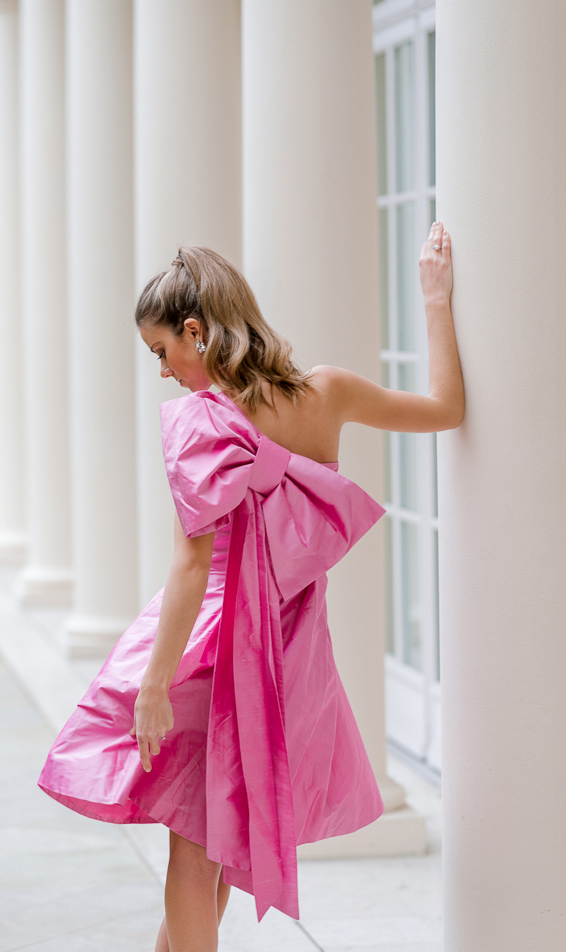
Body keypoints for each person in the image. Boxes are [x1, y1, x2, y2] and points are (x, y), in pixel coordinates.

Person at [37, 220, 462, 952]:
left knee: (192, 845)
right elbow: (447, 410)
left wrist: (153, 683)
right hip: (291, 651)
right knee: (224, 831)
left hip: (213, 643)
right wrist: (434, 302)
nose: (164, 371)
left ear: (196, 332)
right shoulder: (327, 391)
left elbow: (192, 566)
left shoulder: (203, 423)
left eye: (162, 352)